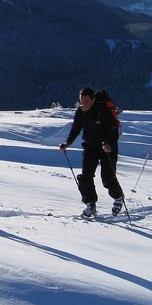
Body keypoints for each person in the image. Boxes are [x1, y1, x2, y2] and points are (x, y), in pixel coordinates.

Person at [59, 88, 125, 218]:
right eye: (81, 101)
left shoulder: (102, 110)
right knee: (85, 176)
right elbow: (76, 128)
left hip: (107, 147)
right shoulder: (81, 112)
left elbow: (113, 129)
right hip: (90, 147)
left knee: (107, 178)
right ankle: (90, 204)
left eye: (86, 101)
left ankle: (118, 198)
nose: (83, 104)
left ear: (93, 99)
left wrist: (110, 146)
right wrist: (67, 143)